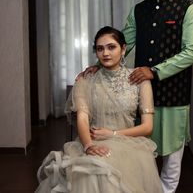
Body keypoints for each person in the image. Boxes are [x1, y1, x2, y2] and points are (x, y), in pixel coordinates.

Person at [79, 0, 193, 193]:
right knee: (140, 152)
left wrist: (154, 71)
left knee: (172, 156)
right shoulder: (139, 10)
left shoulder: (188, 10)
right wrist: (100, 63)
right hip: (137, 93)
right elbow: (124, 42)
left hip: (174, 94)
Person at [35, 26, 163, 193]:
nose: (106, 53)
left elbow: (147, 127)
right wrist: (88, 145)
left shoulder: (140, 80)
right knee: (91, 172)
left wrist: (113, 134)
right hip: (92, 140)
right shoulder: (85, 80)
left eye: (112, 47)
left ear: (123, 49)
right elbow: (82, 118)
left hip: (130, 144)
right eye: (100, 48)